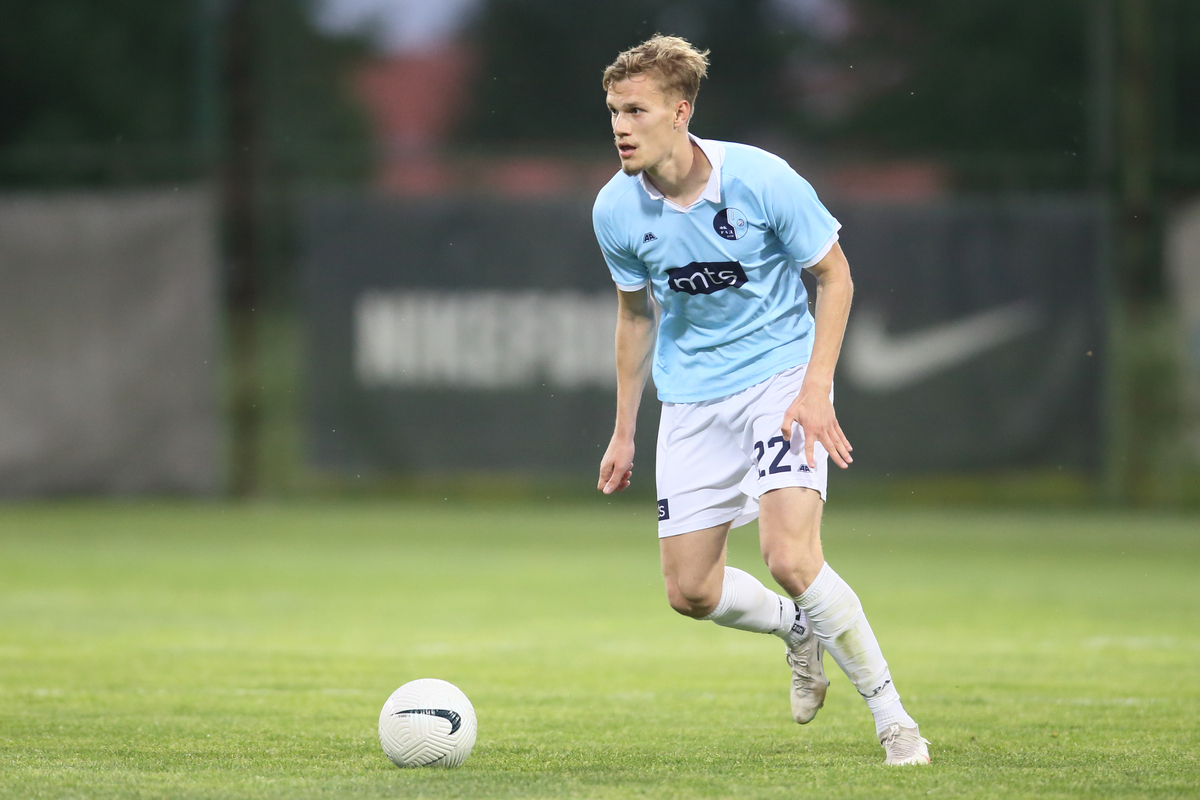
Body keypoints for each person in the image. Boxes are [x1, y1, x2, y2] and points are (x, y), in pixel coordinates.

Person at [592, 34, 929, 766]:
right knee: (690, 592)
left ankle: (893, 717)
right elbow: (634, 315)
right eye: (614, 111)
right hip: (690, 400)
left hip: (779, 379)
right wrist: (624, 431)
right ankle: (795, 629)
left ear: (680, 112)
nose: (620, 126)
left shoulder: (762, 179)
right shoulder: (616, 210)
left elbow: (834, 277)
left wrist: (814, 390)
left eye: (636, 111)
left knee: (790, 556)